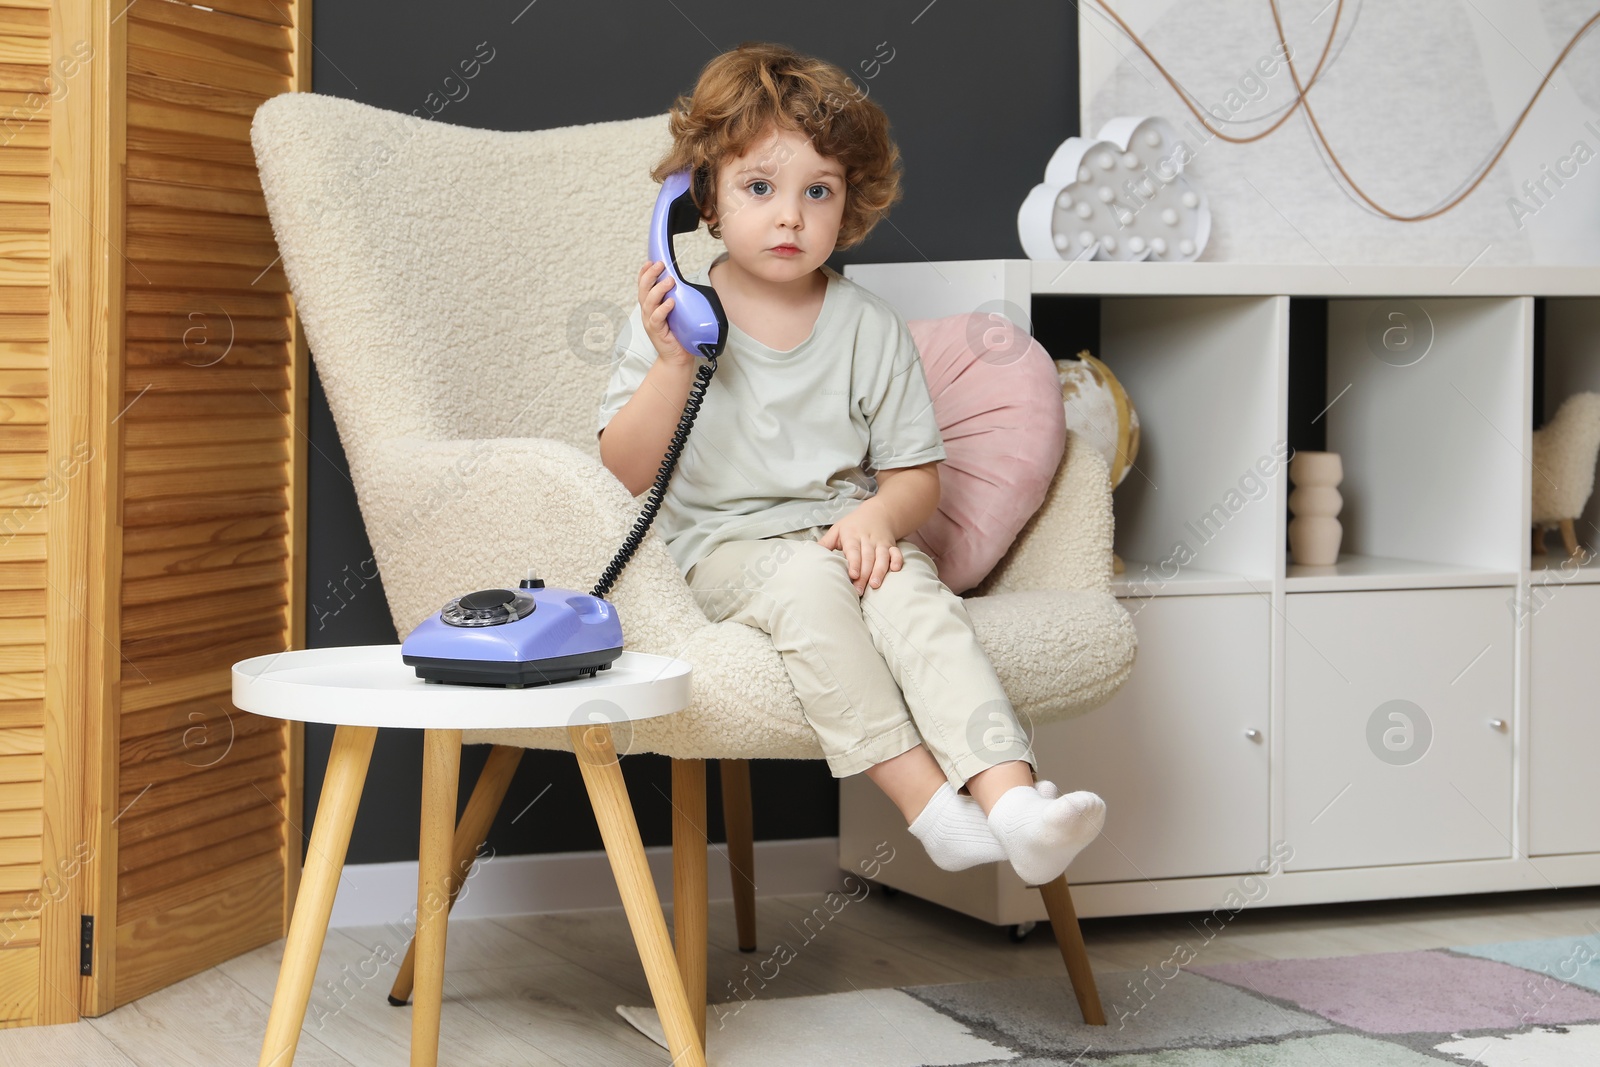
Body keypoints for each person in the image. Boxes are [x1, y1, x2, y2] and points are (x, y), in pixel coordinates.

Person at [597, 42, 1104, 887]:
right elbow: (623, 469)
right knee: (807, 586)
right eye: (760, 188)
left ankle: (1014, 804)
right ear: (702, 201)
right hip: (720, 550)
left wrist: (878, 518)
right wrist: (671, 365)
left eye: (817, 192)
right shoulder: (676, 321)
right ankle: (932, 809)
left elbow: (915, 477)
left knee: (915, 594)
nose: (790, 216)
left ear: (849, 204)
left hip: (842, 532)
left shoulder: (868, 327)